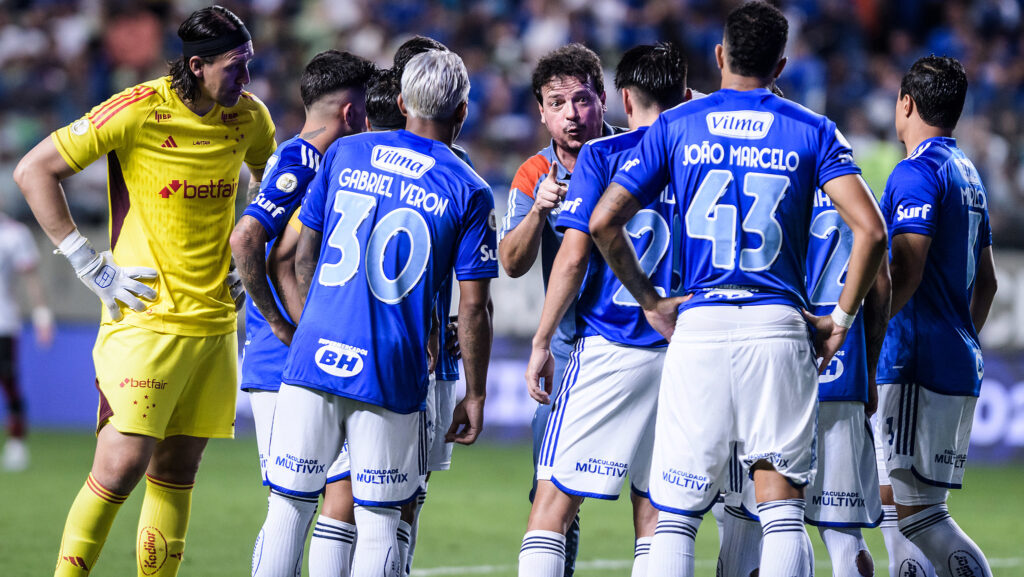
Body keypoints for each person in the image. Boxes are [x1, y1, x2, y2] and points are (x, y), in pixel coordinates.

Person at [588, 3, 887, 576]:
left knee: (675, 514)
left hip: (700, 324)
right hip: (778, 329)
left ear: (720, 56)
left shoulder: (678, 125)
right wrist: (841, 321)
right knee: (781, 512)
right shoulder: (812, 130)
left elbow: (603, 223)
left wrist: (651, 301)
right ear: (780, 65)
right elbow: (870, 230)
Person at [13, 6, 275, 576]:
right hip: (146, 318)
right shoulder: (139, 109)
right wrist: (88, 263)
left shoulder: (250, 117)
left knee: (178, 471)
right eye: (236, 67)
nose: (247, 80)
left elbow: (271, 180)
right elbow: (34, 170)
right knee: (120, 466)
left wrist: (249, 248)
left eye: (250, 65)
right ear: (198, 65)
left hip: (213, 325)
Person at [251, 50, 496, 577]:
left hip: (313, 355)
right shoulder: (469, 188)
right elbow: (474, 307)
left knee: (288, 508)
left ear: (402, 101)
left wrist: (322, 317)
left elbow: (300, 255)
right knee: (382, 519)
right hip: (391, 366)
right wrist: (475, 393)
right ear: (461, 112)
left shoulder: (347, 153)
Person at [517, 43, 689, 577]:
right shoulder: (699, 152)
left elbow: (573, 255)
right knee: (659, 510)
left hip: (610, 343)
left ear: (619, 97)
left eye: (582, 99)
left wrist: (541, 339)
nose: (572, 113)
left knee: (551, 507)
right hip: (685, 347)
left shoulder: (603, 156)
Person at [230, 49, 374, 577]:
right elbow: (246, 240)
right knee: (290, 506)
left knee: (337, 499)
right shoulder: (304, 160)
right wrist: (277, 322)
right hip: (285, 362)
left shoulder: (304, 157)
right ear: (351, 113)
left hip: (313, 358)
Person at [875, 55, 998, 577]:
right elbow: (987, 283)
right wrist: (959, 337)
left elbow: (909, 268)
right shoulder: (967, 174)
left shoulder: (917, 172)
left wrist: (868, 335)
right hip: (950, 357)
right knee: (888, 500)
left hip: (914, 360)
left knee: (921, 517)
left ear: (906, 102)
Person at [497, 43, 615, 576]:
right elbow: (513, 262)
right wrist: (538, 212)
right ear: (541, 111)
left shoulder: (637, 154)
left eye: (582, 99)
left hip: (636, 341)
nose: (572, 113)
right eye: (557, 102)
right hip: (567, 350)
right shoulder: (533, 174)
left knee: (657, 490)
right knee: (554, 489)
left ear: (603, 100)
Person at [0, 209, 54, 471]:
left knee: (8, 380)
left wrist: (42, 315)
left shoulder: (15, 234)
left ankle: (17, 442)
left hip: (3, 322)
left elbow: (31, 278)